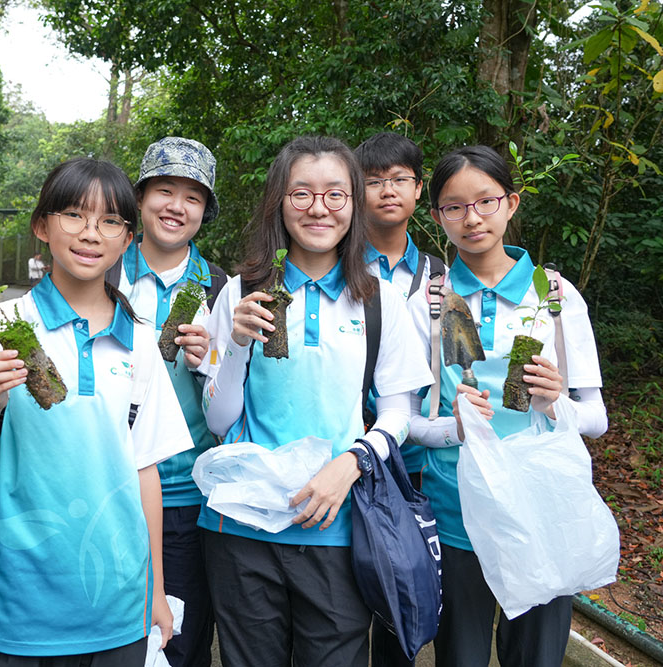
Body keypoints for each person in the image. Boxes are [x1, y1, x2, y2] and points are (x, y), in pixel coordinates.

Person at [0, 157, 194, 666]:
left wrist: (156, 589)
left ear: (126, 238)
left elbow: (145, 471)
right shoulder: (1, 325)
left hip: (117, 602)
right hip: (16, 604)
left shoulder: (139, 340)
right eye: (74, 215)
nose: (91, 233)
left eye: (110, 221)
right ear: (42, 226)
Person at [200, 136, 433, 667]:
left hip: (337, 525)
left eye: (335, 193)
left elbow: (400, 413)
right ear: (279, 203)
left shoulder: (380, 298)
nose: (319, 208)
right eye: (301, 194)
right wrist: (235, 345)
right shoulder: (240, 291)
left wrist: (351, 464)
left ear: (354, 202)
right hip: (243, 524)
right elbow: (218, 420)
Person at [406, 145, 608, 667]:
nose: (472, 218)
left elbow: (596, 419)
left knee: (536, 656)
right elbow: (407, 423)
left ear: (511, 203)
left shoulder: (556, 297)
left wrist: (556, 401)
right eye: (454, 206)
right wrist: (454, 426)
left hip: (541, 508)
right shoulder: (430, 301)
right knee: (460, 655)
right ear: (437, 217)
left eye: (486, 202)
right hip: (458, 513)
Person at [112, 136, 226, 667]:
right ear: (139, 198)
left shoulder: (224, 288)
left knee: (181, 642)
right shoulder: (102, 272)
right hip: (106, 490)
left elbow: (241, 399)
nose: (176, 207)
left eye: (193, 197)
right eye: (164, 190)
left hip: (187, 496)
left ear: (205, 211)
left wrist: (213, 362)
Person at [354, 131, 443, 667]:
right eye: (374, 180)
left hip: (413, 466)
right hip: (348, 453)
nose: (388, 190)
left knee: (398, 598)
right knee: (339, 606)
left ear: (417, 189)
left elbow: (455, 366)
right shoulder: (337, 266)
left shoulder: (441, 276)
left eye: (400, 180)